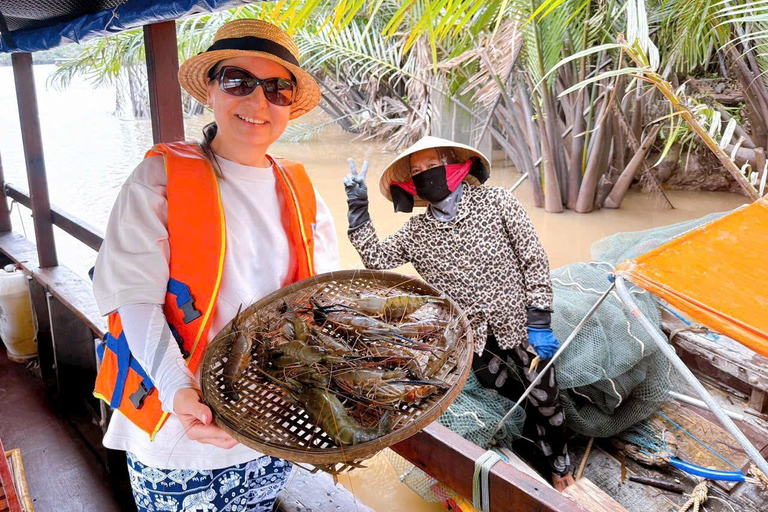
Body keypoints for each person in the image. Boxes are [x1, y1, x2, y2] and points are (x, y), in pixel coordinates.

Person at [91, 19, 339, 512]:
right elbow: (132, 299)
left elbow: (320, 307)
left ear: (290, 104)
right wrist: (180, 389)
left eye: (277, 88)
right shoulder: (159, 179)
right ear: (211, 87)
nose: (257, 102)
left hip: (271, 429)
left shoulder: (303, 191)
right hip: (178, 433)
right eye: (238, 81)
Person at [344, 136, 574, 490]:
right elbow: (376, 259)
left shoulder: (496, 201)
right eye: (417, 172)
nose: (426, 176)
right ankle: (530, 446)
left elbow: (534, 260)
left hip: (521, 323)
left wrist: (540, 320)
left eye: (432, 166)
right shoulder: (417, 232)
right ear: (411, 184)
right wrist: (358, 207)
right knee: (505, 393)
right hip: (473, 337)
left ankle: (559, 462)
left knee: (546, 397)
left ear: (453, 164)